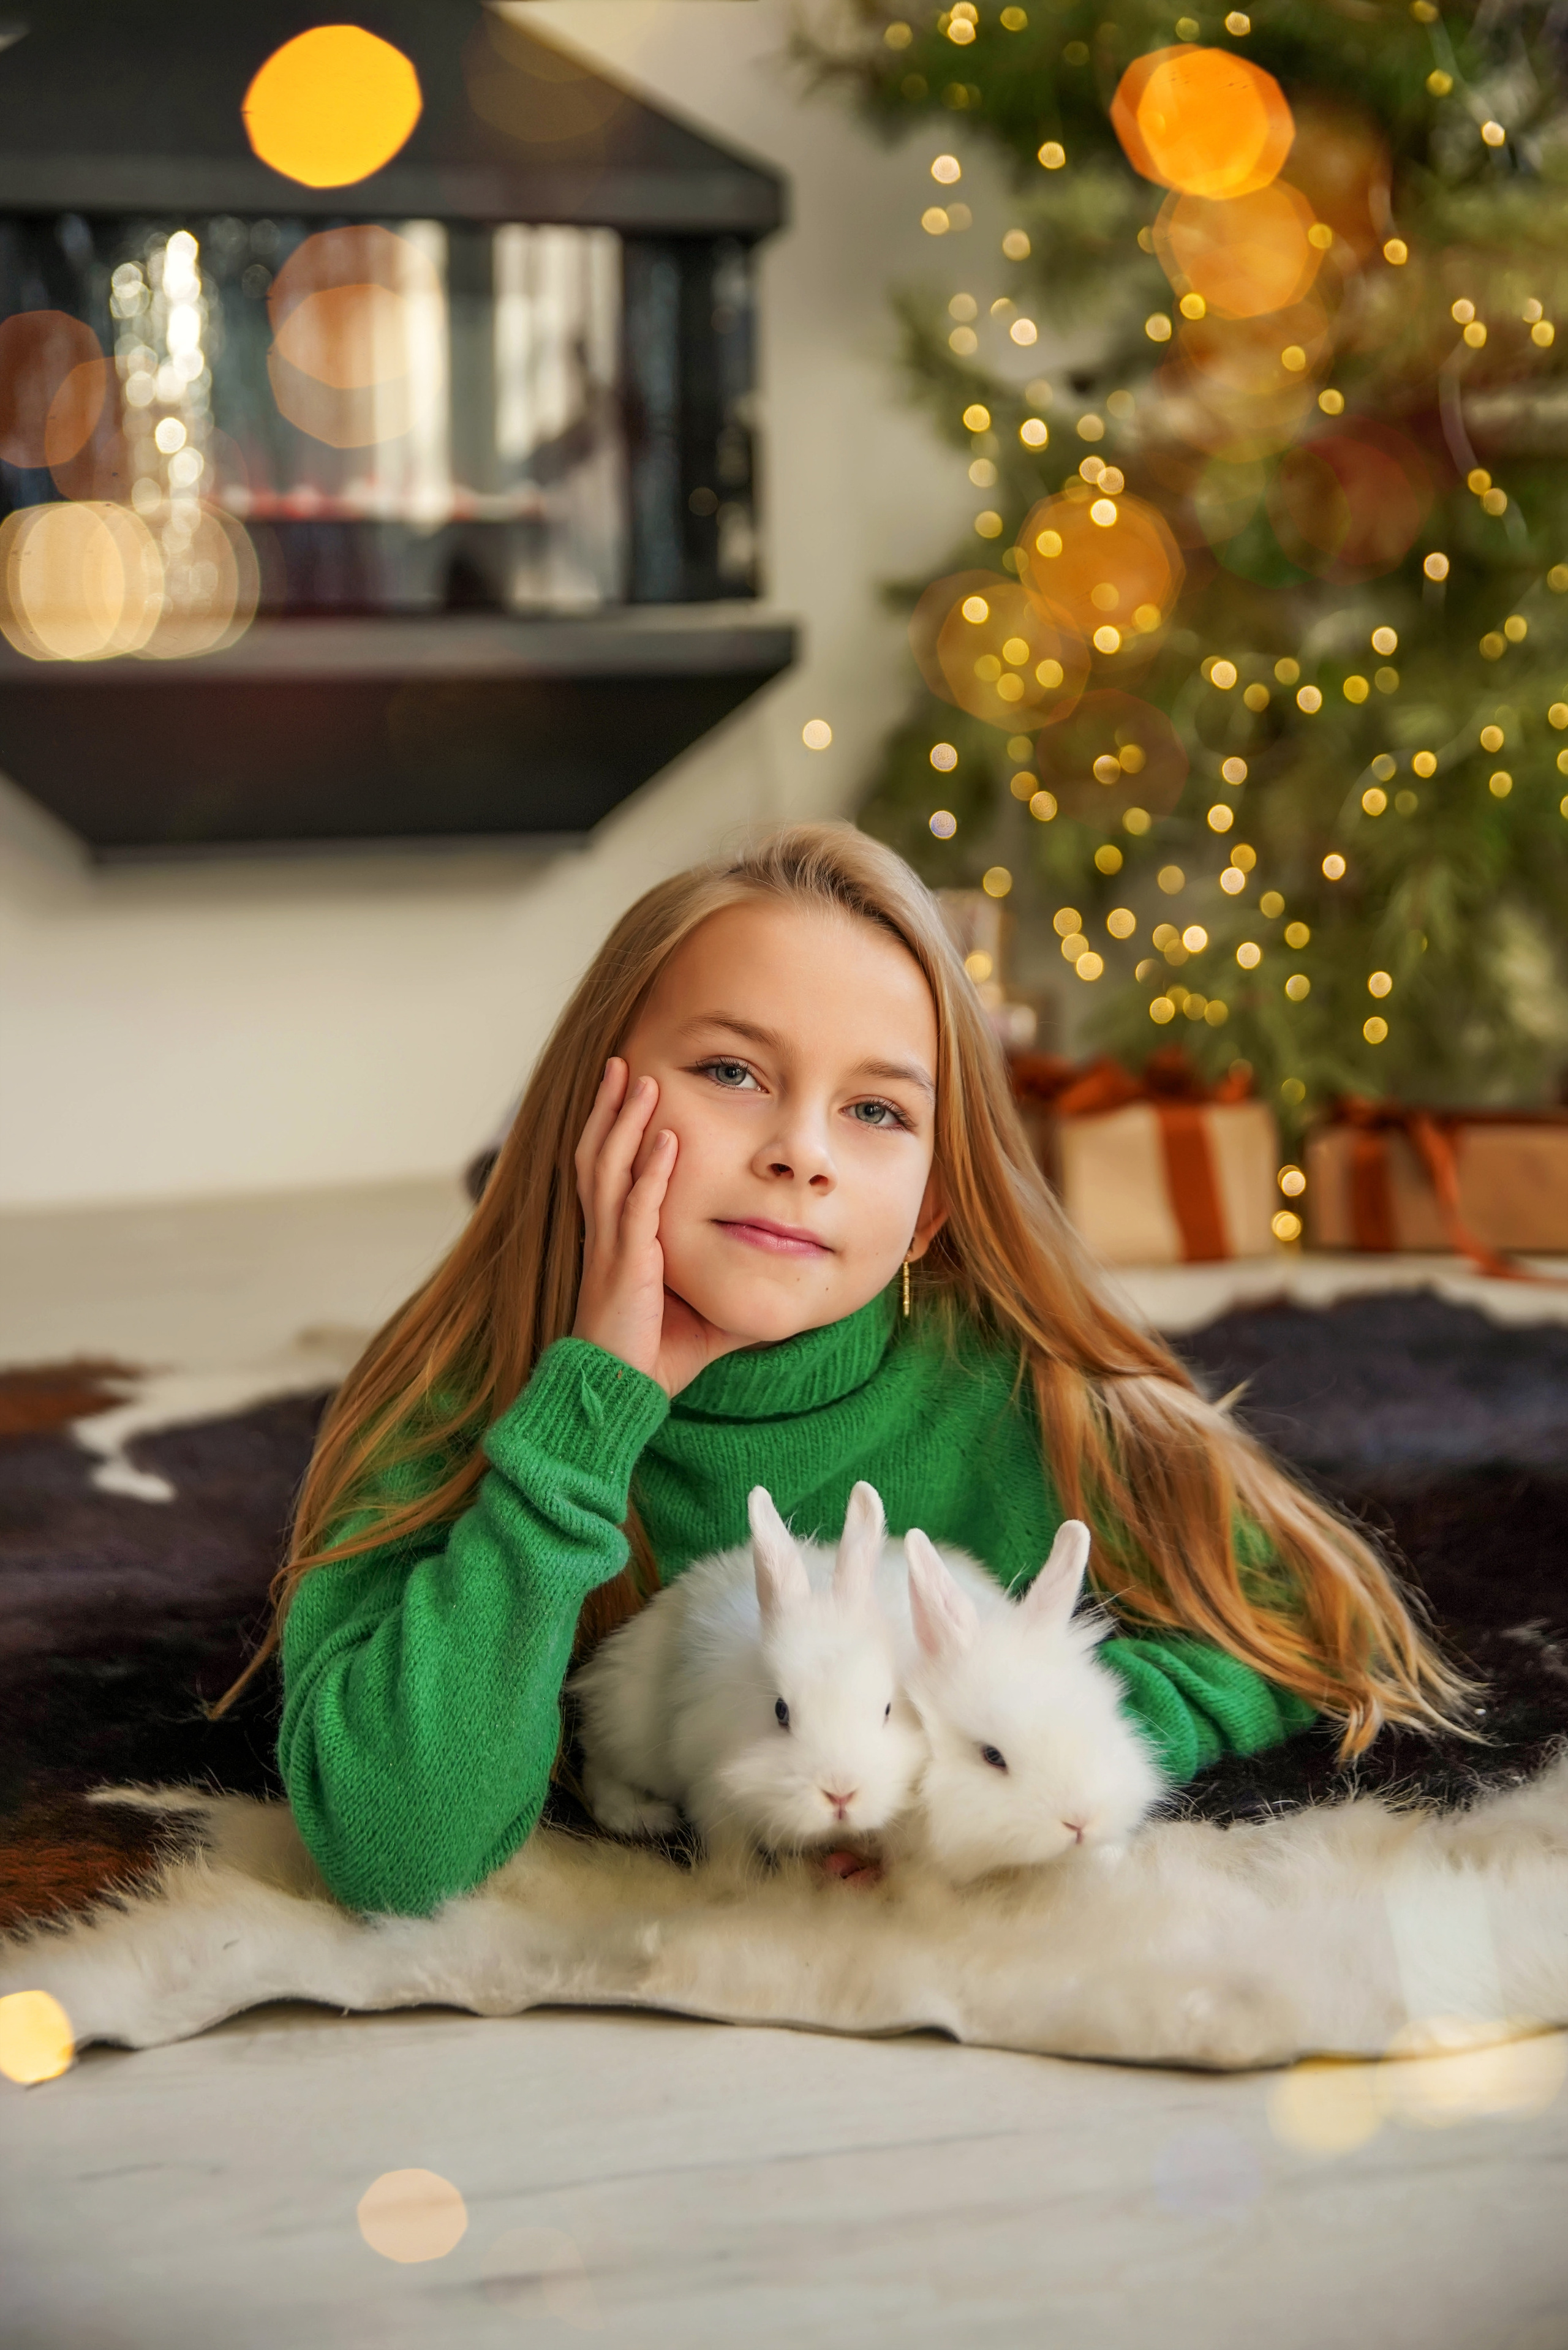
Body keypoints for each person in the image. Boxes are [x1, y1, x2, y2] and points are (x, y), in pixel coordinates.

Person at [222, 824, 1464, 1915]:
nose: (801, 1152)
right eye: (732, 1072)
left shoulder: (1023, 1399)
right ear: (582, 1110)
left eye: (876, 1111)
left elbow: (1302, 1623)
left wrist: (1015, 1738)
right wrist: (586, 1412)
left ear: (930, 1211)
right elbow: (397, 1853)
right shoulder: (452, 1387)